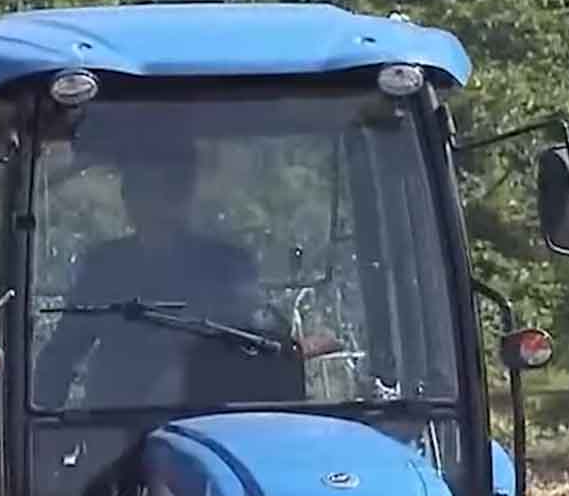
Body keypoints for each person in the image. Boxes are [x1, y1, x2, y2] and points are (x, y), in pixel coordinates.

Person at [34, 138, 342, 409]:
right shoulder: (105, 267)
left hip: (208, 421)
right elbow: (61, 355)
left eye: (170, 190)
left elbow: (256, 340)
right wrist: (43, 435)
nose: (157, 204)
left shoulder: (227, 266)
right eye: (145, 190)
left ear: (186, 195)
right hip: (115, 431)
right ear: (129, 197)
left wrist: (294, 350)